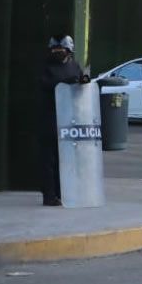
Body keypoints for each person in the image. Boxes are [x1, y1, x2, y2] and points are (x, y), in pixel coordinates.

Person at [38, 35, 90, 206]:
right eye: (55, 49)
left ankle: (65, 192)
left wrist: (82, 81)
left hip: (70, 119)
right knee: (49, 159)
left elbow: (81, 80)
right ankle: (49, 195)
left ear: (69, 50)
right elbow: (45, 84)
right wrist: (63, 82)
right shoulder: (45, 66)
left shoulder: (74, 66)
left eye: (62, 49)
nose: (58, 52)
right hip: (49, 117)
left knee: (67, 158)